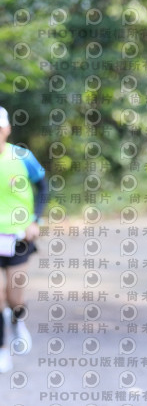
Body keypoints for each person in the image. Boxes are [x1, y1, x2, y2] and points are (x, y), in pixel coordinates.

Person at [0, 105, 48, 372]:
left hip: (19, 236)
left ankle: (17, 320)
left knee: (15, 297)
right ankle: (2, 348)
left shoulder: (22, 156)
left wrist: (35, 220)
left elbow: (42, 187)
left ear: (7, 129)